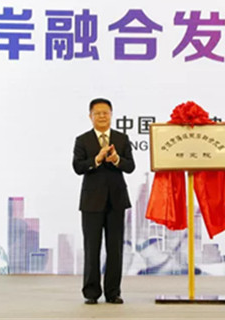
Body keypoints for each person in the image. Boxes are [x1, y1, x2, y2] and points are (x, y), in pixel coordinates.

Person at [73, 98, 135, 304]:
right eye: (97, 113)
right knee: (92, 248)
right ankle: (91, 293)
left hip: (116, 201)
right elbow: (78, 167)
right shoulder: (82, 140)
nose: (102, 116)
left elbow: (130, 166)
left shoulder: (122, 138)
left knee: (115, 249)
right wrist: (96, 160)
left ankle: (113, 292)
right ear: (90, 116)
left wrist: (116, 159)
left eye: (105, 112)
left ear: (111, 114)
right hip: (91, 202)